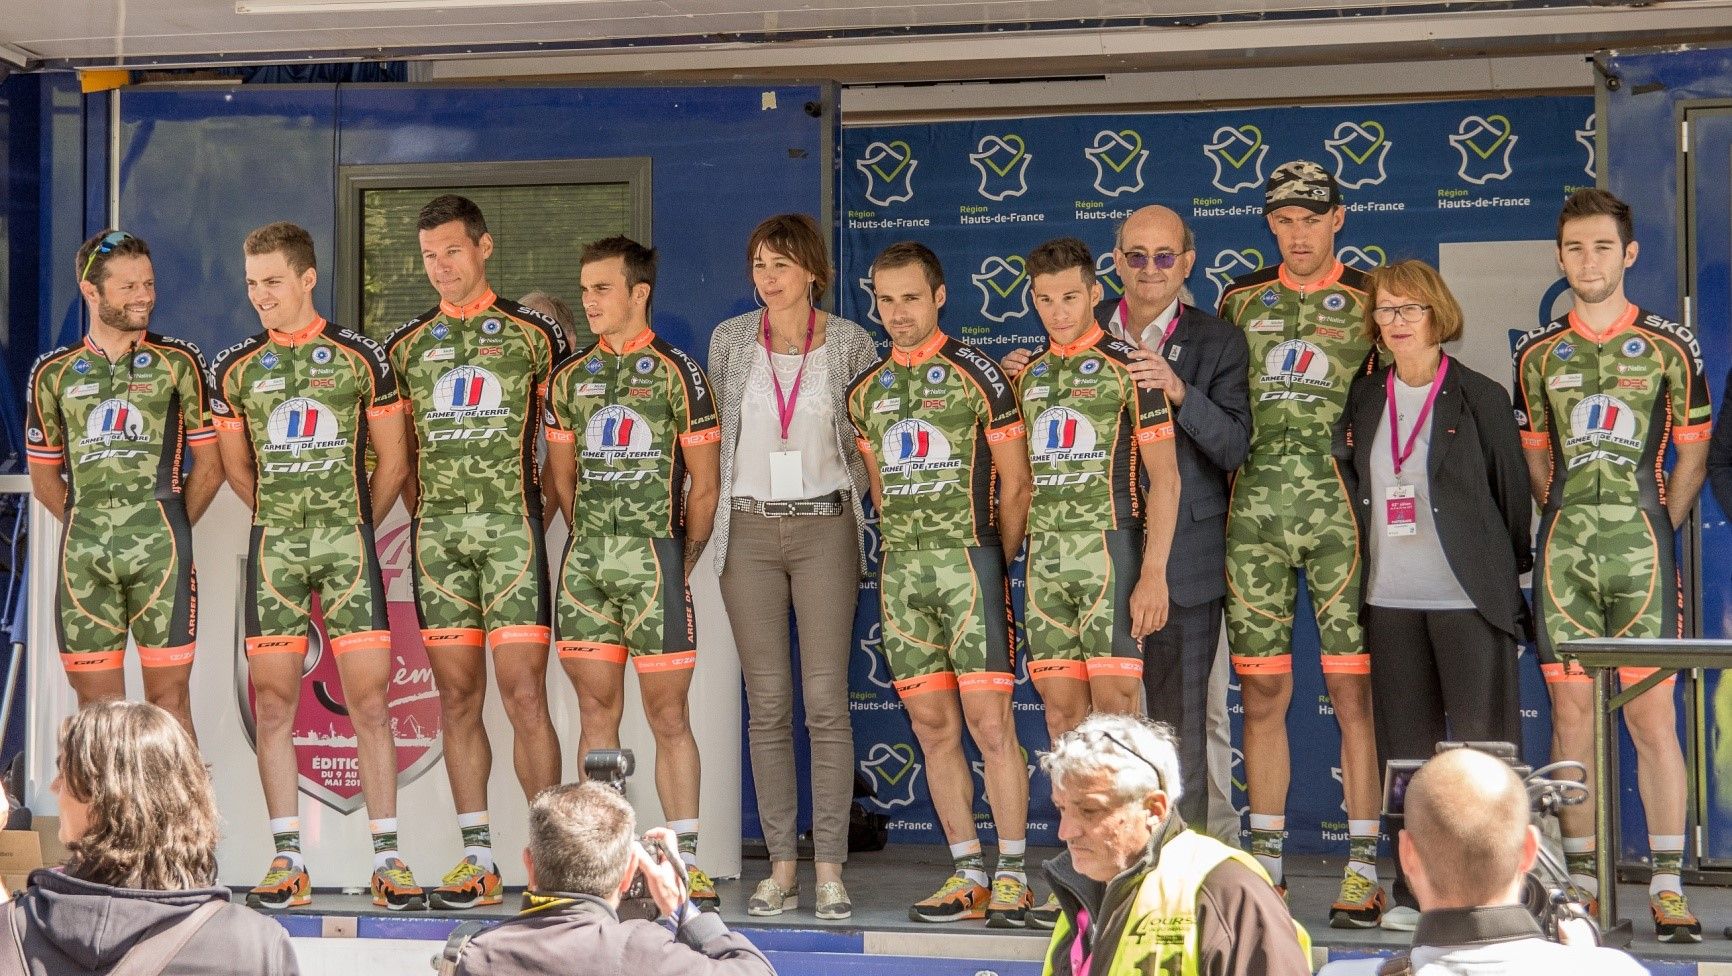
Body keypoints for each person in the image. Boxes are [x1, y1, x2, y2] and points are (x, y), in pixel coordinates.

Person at [1514, 187, 1710, 942]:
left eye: (1601, 246)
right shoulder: (1536, 353)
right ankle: (1582, 885)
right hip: (1563, 551)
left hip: (1644, 553)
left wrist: (1656, 523)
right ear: (1559, 257)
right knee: (1571, 717)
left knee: (1653, 717)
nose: (1587, 260)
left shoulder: (1669, 344)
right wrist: (1567, 518)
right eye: (1574, 248)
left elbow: (1692, 451)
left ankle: (1666, 881)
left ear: (1628, 254)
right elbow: (1537, 464)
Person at [208, 222, 422, 911]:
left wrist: (357, 520)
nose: (260, 296)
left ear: (307, 278)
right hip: (276, 551)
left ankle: (388, 859)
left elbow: (393, 460)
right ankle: (286, 860)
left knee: (369, 702)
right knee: (272, 703)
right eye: (251, 284)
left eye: (273, 281)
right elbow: (238, 470)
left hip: (349, 548)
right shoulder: (235, 367)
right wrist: (284, 517)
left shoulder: (362, 357)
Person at [384, 194, 569, 910]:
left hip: (514, 537)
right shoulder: (404, 347)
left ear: (484, 248)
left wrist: (535, 512)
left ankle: (552, 864)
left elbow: (560, 452)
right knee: (457, 697)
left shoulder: (534, 336)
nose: (441, 267)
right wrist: (430, 519)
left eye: (452, 252)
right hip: (439, 545)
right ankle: (479, 857)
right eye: (429, 256)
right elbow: (399, 464)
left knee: (525, 696)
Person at [1338, 259, 1532, 931]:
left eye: (1409, 309)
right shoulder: (1365, 399)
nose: (1396, 322)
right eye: (1385, 310)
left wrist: (1500, 579)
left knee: (1484, 757)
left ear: (1437, 315)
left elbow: (1511, 499)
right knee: (1407, 758)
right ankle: (1414, 890)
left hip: (1468, 600)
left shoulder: (1478, 394)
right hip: (1391, 601)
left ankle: (1495, 892)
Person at [1216, 160, 1384, 926]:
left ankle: (1362, 867)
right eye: (1283, 220)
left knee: (1353, 694)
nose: (1298, 233)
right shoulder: (1239, 299)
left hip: (1341, 515)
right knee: (1263, 695)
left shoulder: (1373, 298)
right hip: (1253, 517)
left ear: (1338, 219)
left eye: (1311, 219)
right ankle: (1269, 869)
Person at [846, 241, 1033, 926]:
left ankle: (1013, 872)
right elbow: (878, 493)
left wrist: (993, 558)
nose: (897, 313)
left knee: (990, 725)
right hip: (903, 577)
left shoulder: (978, 372)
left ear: (939, 296)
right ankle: (967, 874)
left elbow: (1017, 485)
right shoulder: (864, 392)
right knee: (931, 728)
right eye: (885, 300)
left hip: (971, 568)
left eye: (910, 298)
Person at [544, 235, 723, 909]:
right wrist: (593, 539)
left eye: (602, 289)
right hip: (587, 565)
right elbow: (562, 481)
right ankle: (605, 860)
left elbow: (704, 487)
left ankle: (690, 858)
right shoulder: (569, 378)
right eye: (584, 289)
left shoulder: (680, 372)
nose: (589, 301)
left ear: (638, 293)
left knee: (668, 714)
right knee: (596, 711)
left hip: (657, 560)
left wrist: (679, 558)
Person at [707, 214, 877, 920]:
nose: (767, 278)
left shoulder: (848, 340)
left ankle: (830, 868)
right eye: (758, 265)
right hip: (746, 530)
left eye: (780, 264)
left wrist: (845, 499)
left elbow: (867, 437)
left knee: (824, 703)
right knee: (768, 705)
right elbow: (716, 433)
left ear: (812, 270)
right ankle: (780, 868)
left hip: (823, 529)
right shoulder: (728, 340)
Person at [24, 230, 223, 740]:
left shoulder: (179, 361)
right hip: (83, 551)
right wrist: (91, 521)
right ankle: (108, 822)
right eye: (129, 286)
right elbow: (44, 477)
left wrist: (168, 522)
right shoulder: (53, 373)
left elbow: (211, 465)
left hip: (161, 548)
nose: (144, 296)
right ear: (91, 292)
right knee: (96, 709)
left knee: (168, 701)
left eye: (149, 284)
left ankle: (185, 822)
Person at [1012, 237, 1179, 733]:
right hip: (1045, 560)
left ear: (1093, 293)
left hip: (1112, 552)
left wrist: (1153, 574)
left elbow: (1166, 481)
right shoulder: (1024, 376)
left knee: (1116, 709)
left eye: (1069, 297)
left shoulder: (1133, 368)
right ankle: (1078, 814)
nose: (1057, 312)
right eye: (1045, 299)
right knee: (1061, 711)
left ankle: (1130, 814)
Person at [2, 700, 298, 975]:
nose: (54, 787)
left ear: (105, 800)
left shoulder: (13, 934)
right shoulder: (253, 949)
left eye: (65, 774)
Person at [1319, 748, 1648, 975]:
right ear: (1529, 849)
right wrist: (1586, 964)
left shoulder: (1339, 973)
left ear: (1407, 854)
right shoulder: (1616, 971)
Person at [1039, 713, 1310, 976]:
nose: (1066, 832)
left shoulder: (1227, 889)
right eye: (1061, 809)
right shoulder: (1080, 892)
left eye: (1089, 810)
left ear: (1154, 809)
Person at [452, 782, 772, 976]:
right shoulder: (641, 949)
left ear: (529, 865)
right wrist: (681, 908)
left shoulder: (478, 954)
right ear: (629, 872)